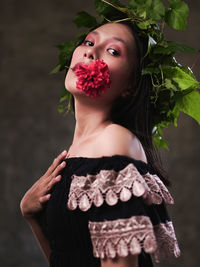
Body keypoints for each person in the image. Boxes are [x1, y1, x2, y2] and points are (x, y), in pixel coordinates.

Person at [20, 21, 180, 267]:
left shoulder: (114, 141)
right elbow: (66, 259)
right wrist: (31, 215)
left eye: (113, 51)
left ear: (130, 86)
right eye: (89, 42)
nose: (90, 52)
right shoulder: (80, 152)